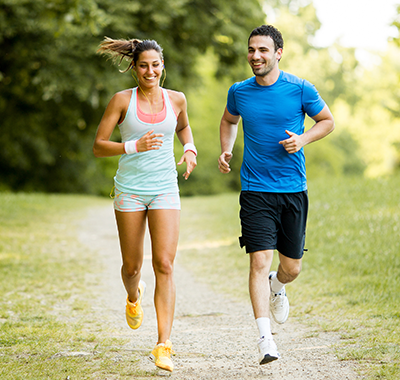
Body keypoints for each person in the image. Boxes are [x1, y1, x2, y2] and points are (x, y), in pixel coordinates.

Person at [218, 25, 334, 365]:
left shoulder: (299, 89)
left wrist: (303, 140)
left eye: (263, 50)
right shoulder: (239, 92)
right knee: (258, 260)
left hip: (292, 189)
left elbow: (326, 121)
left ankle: (278, 286)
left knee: (292, 268)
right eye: (251, 50)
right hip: (255, 190)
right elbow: (229, 121)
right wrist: (226, 149)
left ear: (278, 53)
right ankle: (265, 340)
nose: (255, 56)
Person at [93, 37, 197, 372]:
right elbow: (99, 145)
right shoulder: (122, 100)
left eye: (155, 65)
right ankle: (133, 295)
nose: (150, 71)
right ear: (135, 67)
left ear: (162, 65)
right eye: (143, 65)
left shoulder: (177, 99)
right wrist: (133, 146)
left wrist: (190, 148)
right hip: (131, 190)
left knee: (164, 264)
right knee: (132, 267)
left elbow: (182, 127)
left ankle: (163, 344)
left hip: (165, 187)